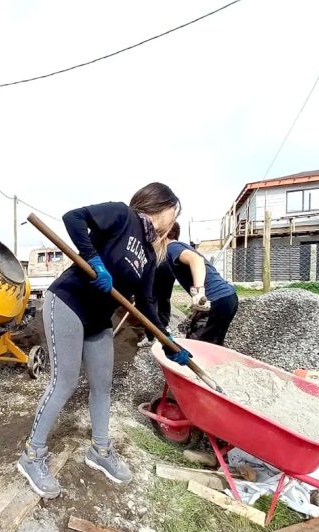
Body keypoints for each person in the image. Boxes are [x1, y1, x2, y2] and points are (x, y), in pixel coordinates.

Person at [17, 183, 191, 499]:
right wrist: (94, 261)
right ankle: (32, 456)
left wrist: (168, 342)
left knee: (102, 385)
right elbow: (73, 218)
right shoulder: (124, 216)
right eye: (174, 212)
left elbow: (148, 305)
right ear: (162, 206)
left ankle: (100, 450)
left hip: (99, 321)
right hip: (69, 302)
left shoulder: (150, 257)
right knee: (64, 383)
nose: (172, 220)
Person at [163, 233, 238, 345]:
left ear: (164, 235)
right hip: (227, 297)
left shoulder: (172, 247)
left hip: (215, 300)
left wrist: (199, 292)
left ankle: (202, 362)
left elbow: (196, 260)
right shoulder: (180, 246)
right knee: (212, 342)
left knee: (196, 346)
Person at [137, 222, 181, 347]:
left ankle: (158, 332)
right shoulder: (166, 242)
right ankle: (154, 333)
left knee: (157, 299)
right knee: (158, 299)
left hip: (164, 267)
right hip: (161, 267)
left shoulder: (169, 243)